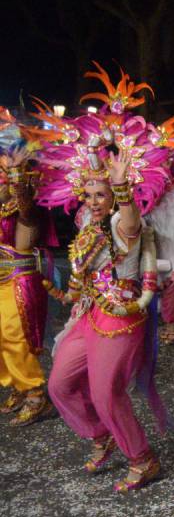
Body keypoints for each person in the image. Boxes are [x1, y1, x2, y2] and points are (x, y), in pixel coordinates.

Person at [36, 68, 174, 493]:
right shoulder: (85, 224)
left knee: (106, 391)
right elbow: (84, 270)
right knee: (60, 384)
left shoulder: (123, 221)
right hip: (90, 314)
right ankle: (102, 435)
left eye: (103, 195)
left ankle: (142, 457)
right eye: (92, 194)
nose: (95, 202)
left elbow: (132, 224)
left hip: (123, 318)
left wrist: (121, 191)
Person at [0, 110, 54, 425]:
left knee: (13, 335)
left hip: (18, 280)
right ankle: (18, 385)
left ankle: (36, 395)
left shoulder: (23, 210)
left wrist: (19, 177)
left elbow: (27, 212)